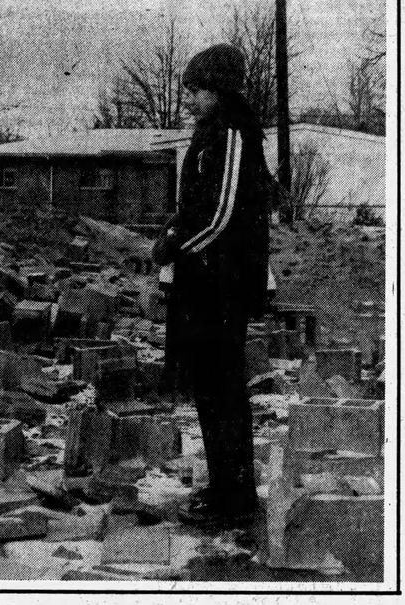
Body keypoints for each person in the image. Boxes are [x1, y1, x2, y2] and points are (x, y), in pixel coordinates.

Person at [153, 43, 271, 528]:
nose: (190, 100)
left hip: (221, 284)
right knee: (207, 386)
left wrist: (178, 247)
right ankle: (223, 486)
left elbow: (222, 215)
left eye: (197, 91)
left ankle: (236, 497)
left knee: (223, 389)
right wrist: (171, 235)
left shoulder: (235, 134)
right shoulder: (207, 134)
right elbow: (194, 207)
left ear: (220, 90)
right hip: (201, 283)